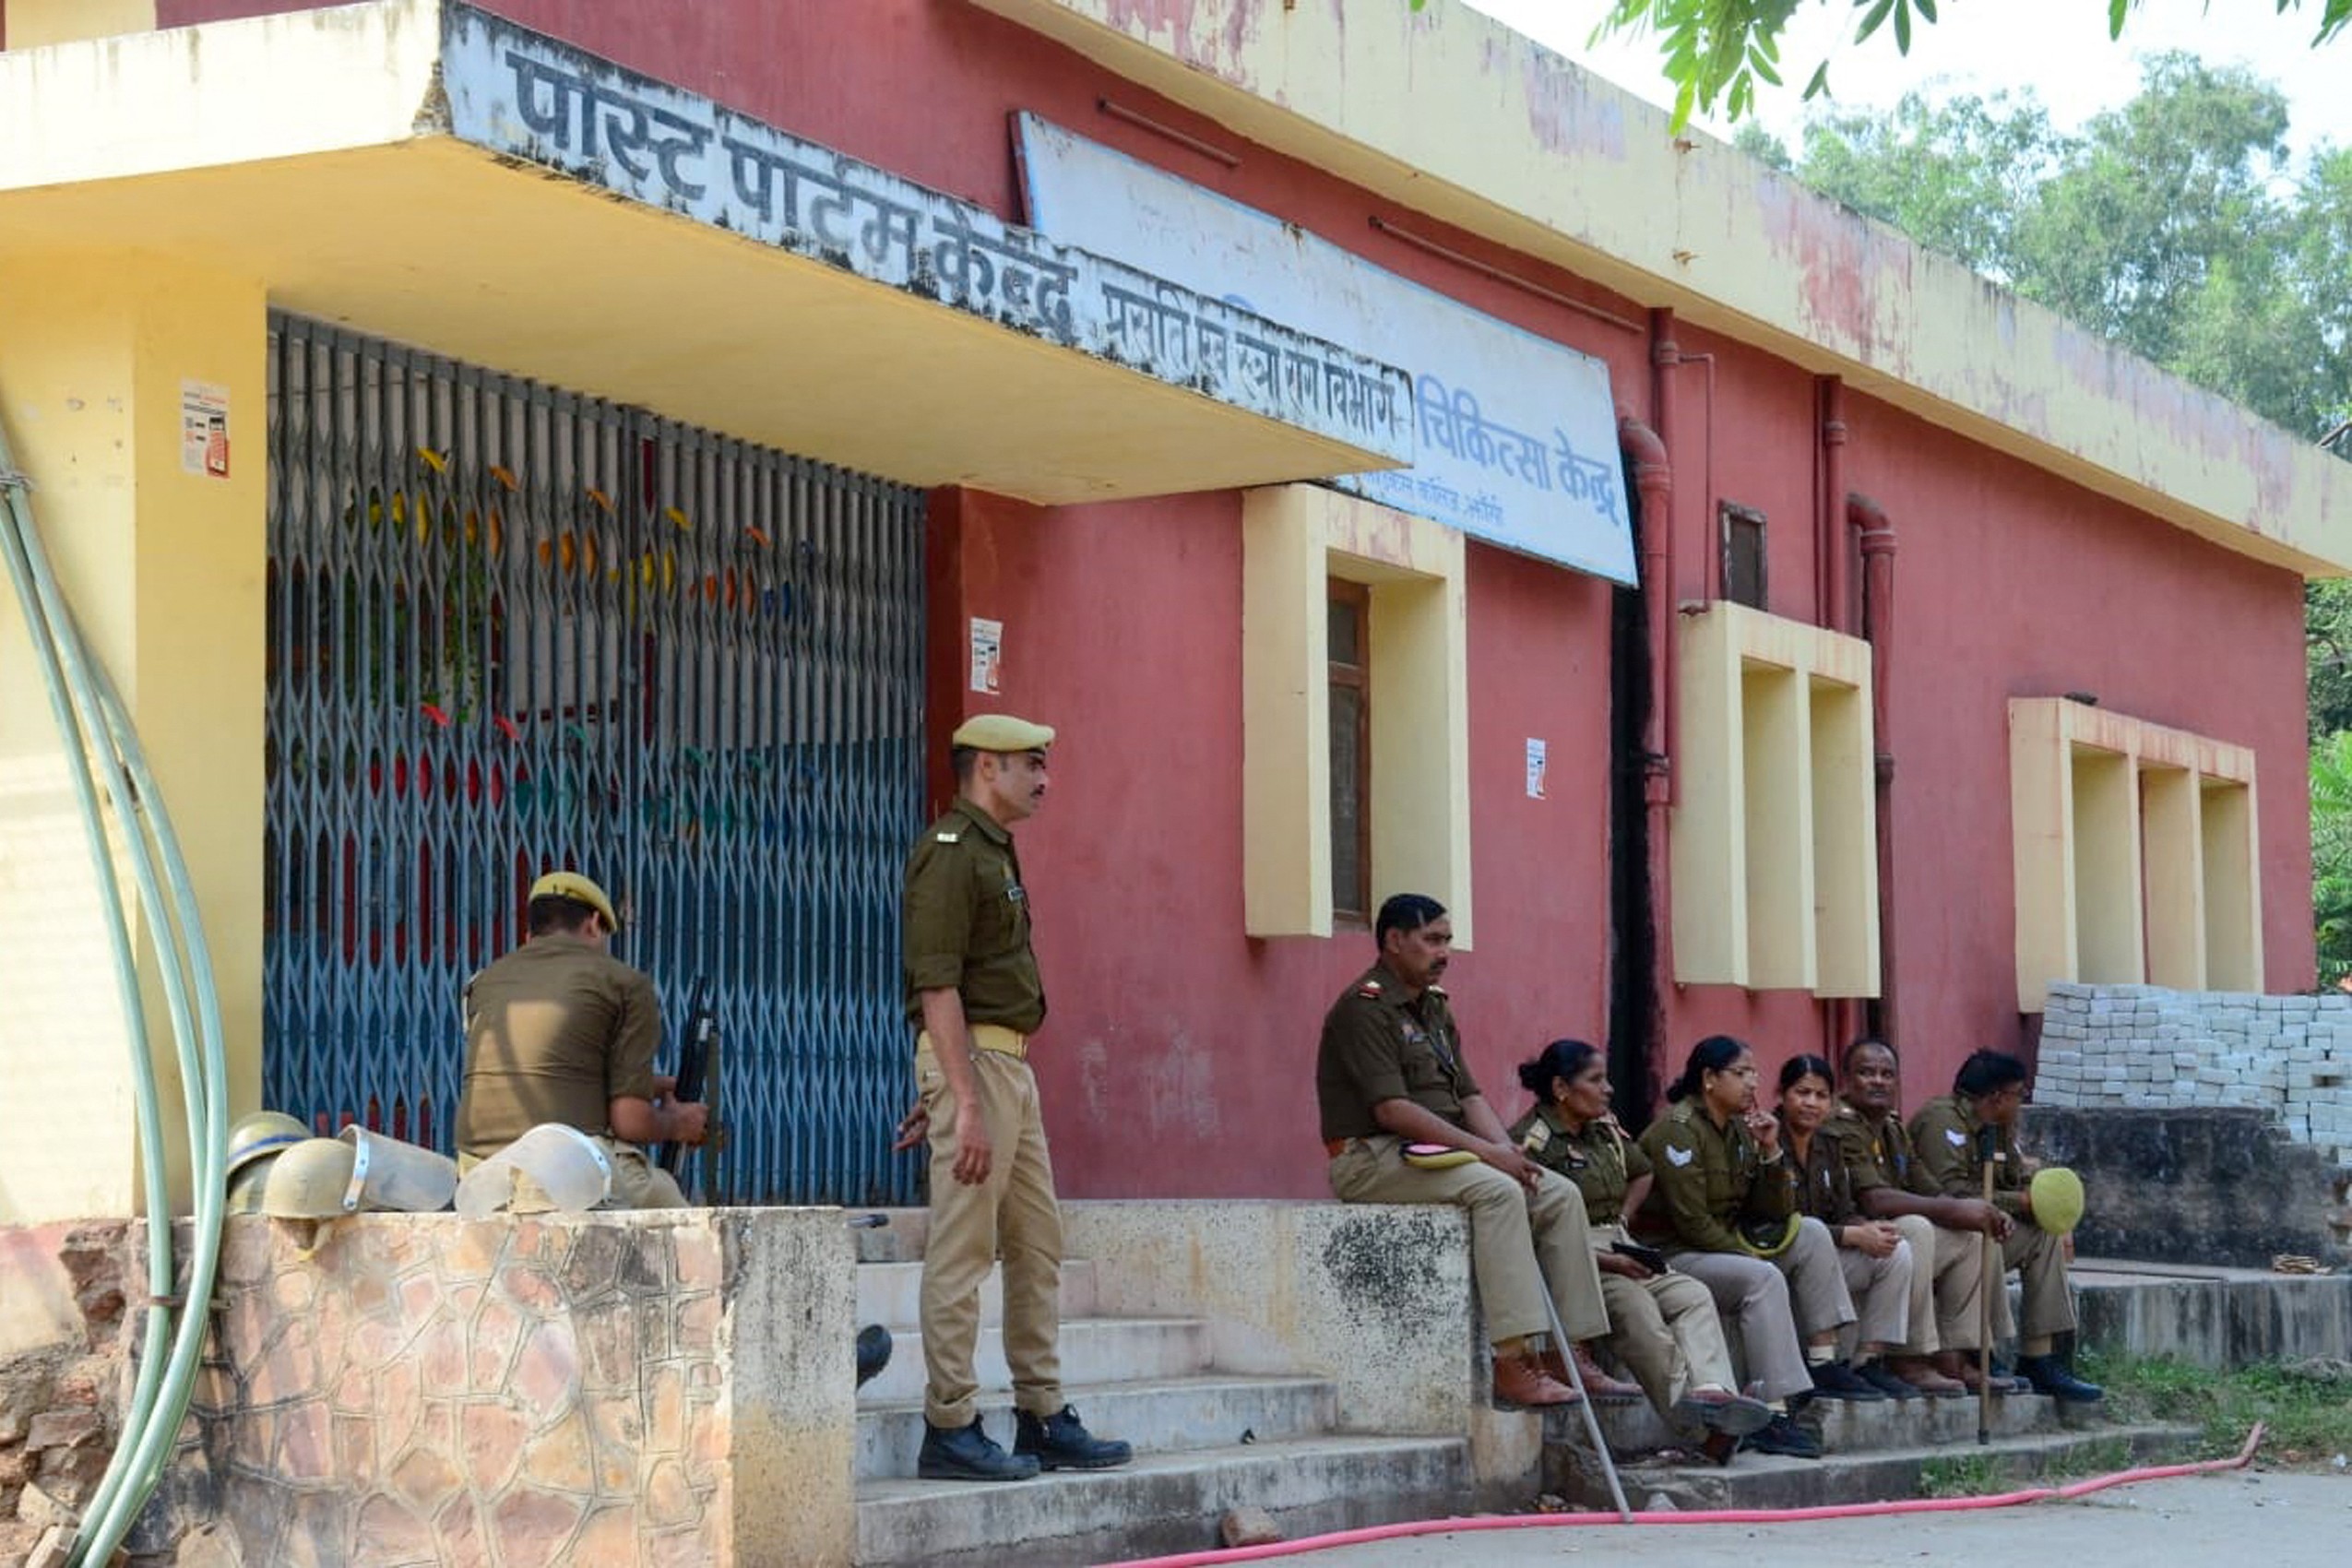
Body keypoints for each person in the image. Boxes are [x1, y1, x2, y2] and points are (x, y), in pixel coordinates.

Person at [899, 714, 1130, 1482]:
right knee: (964, 1250)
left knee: (1037, 1246)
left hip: (1007, 1070)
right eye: (1031, 763)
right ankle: (951, 1424)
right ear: (987, 768)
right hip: (981, 1071)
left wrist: (955, 1084)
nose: (1044, 778)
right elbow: (937, 979)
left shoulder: (994, 851)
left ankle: (1041, 1414)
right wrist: (958, 1096)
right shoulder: (951, 853)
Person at [1316, 894, 1610, 1409]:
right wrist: (1489, 1157)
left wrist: (1508, 1151)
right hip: (1372, 1157)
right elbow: (1392, 1111)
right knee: (1498, 1192)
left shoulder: (1434, 1006)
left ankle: (1572, 1354)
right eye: (1432, 939)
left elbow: (1468, 1095)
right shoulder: (1363, 1009)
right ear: (1394, 940)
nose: (1444, 951)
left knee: (1556, 1191)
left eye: (1447, 939)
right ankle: (1513, 1361)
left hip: (1436, 1152)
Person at [1509, 1039, 1774, 1459]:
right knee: (1639, 1310)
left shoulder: (1603, 1131)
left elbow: (1643, 1172)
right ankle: (1702, 1432)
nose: (1608, 1088)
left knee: (1691, 1294)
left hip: (1619, 1240)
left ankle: (1713, 1394)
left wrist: (1624, 1222)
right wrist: (1609, 1257)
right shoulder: (1533, 1143)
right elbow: (1530, 1235)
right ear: (1561, 1088)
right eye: (1596, 1080)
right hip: (1573, 1258)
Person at [1633, 1037, 1871, 1460]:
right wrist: (1751, 1257)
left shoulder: (1742, 1130)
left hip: (1724, 1247)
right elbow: (1693, 1224)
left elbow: (1775, 1210)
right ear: (1709, 1079)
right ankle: (1774, 1414)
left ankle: (1822, 1359)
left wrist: (1771, 1153)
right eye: (1741, 1073)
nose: (1752, 1083)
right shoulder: (1678, 1132)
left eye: (1754, 1073)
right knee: (1762, 1277)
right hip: (1676, 1254)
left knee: (1812, 1232)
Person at [455, 870, 707, 1210]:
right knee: (677, 1220)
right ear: (592, 924)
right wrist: (679, 1123)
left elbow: (551, 1070)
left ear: (530, 934)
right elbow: (629, 1121)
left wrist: (651, 1086)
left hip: (479, 1175)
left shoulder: (482, 982)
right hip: (563, 1174)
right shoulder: (624, 984)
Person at [1910, 1051, 2104, 1403]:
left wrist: (2052, 1213)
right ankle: (1982, 1352)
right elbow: (1950, 1193)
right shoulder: (1942, 1120)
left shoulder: (1996, 1130)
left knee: (2043, 1236)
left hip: (1985, 1227)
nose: (2021, 1103)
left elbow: (2017, 1176)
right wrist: (2021, 1203)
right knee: (1986, 1239)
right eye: (2019, 1095)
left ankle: (2039, 1357)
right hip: (1944, 1235)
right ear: (1998, 1096)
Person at [1824, 1038, 2004, 1396]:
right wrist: (1954, 1210)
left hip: (1888, 1241)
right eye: (1866, 1073)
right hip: (1854, 1240)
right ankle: (1907, 1356)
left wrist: (1976, 1211)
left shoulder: (1891, 1126)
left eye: (1887, 1074)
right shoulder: (1839, 1126)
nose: (1878, 1081)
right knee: (1917, 1228)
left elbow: (1928, 1185)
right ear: (1846, 1080)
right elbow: (1874, 1199)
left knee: (1973, 1237)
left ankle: (1955, 1355)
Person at [1777, 1054, 1925, 1401]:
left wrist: (1867, 1228)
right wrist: (1851, 1234)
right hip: (1779, 1259)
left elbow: (1843, 1210)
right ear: (1782, 1094)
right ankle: (1822, 1363)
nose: (1811, 1103)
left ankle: (1866, 1361)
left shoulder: (1828, 1144)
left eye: (1820, 1095)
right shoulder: (1767, 1140)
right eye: (1802, 1093)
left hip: (1823, 1262)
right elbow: (1782, 1224)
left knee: (1895, 1249)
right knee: (1812, 1231)